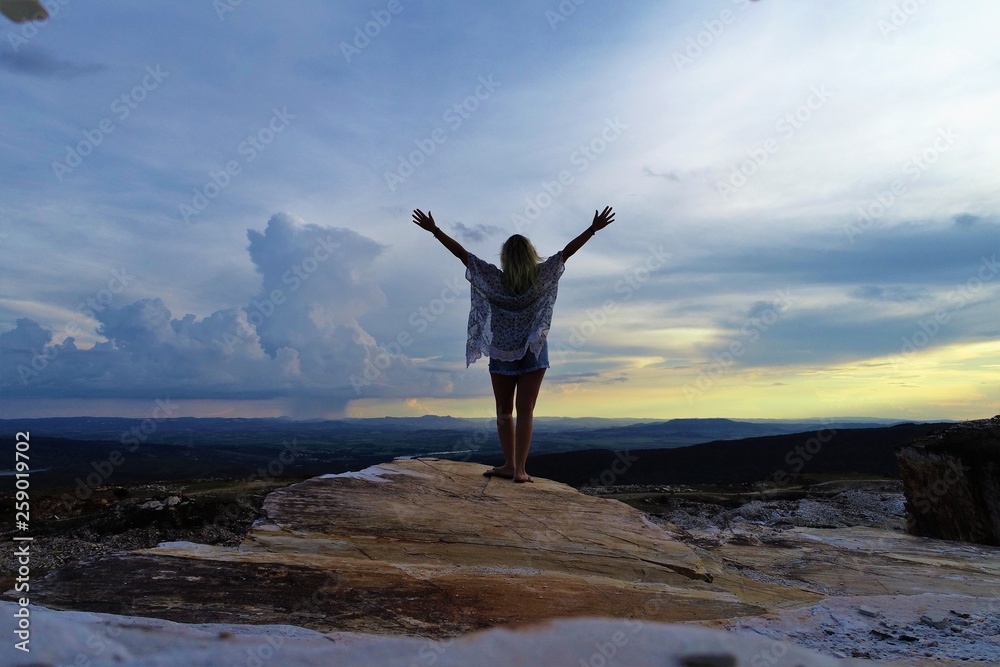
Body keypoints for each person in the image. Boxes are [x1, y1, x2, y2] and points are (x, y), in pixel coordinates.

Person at [412, 206, 615, 483]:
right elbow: (567, 253)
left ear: (506, 257)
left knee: (504, 411)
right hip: (534, 348)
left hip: (502, 351)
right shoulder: (541, 276)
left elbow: (463, 255)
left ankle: (509, 465)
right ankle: (520, 470)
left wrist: (435, 231)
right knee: (527, 410)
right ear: (531, 255)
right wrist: (592, 230)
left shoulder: (495, 278)